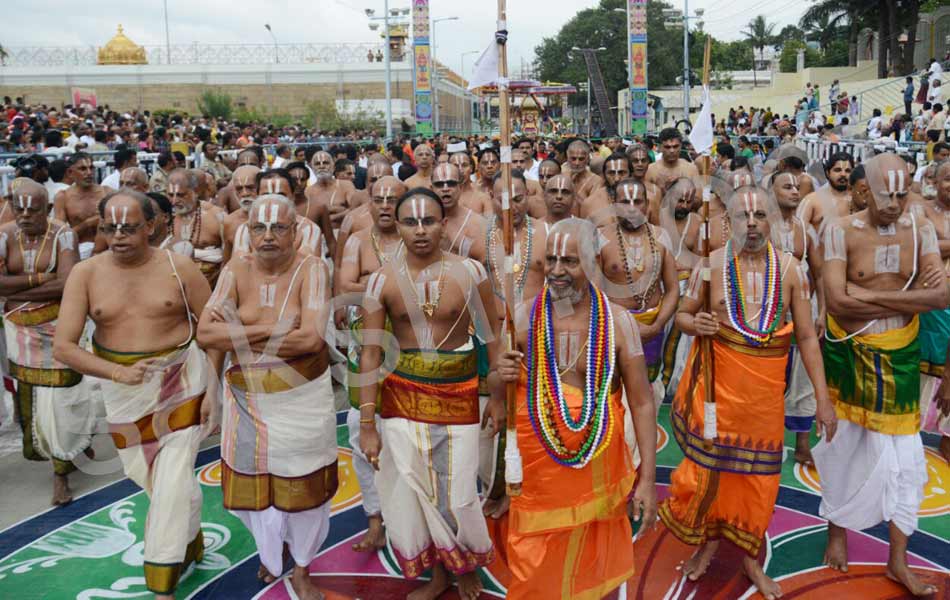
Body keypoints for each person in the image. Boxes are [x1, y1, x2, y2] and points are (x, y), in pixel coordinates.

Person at [660, 186, 834, 600]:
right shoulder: (711, 265)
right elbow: (683, 316)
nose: (752, 224)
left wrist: (823, 400)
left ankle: (751, 557)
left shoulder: (792, 270)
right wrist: (694, 324)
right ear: (729, 223)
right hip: (718, 394)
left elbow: (807, 337)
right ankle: (710, 541)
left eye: (759, 216)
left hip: (763, 402)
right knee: (713, 472)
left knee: (760, 480)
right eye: (743, 216)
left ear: (771, 220)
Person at [53, 190, 220, 599]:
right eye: (109, 228)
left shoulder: (180, 269)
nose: (119, 236)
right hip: (122, 391)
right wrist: (117, 372)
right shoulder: (86, 274)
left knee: (170, 484)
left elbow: (215, 331)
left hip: (182, 381)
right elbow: (64, 346)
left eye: (129, 228)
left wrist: (213, 386)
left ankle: (162, 585)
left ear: (151, 226)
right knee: (150, 478)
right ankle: (191, 537)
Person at [495, 217, 658, 599]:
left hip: (598, 463)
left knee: (592, 553)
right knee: (535, 556)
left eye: (569, 261)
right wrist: (499, 374)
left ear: (593, 262)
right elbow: (501, 395)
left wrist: (647, 479)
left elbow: (642, 402)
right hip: (540, 473)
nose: (556, 270)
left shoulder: (619, 323)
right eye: (549, 260)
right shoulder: (521, 318)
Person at [358, 187, 502, 600]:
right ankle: (442, 576)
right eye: (411, 222)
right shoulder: (380, 281)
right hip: (402, 397)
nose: (420, 231)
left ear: (444, 224)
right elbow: (370, 353)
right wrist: (367, 424)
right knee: (415, 490)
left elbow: (492, 340)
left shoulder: (472, 273)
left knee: (458, 492)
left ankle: (465, 564)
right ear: (397, 226)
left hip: (460, 395)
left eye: (429, 221)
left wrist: (499, 397)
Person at [815, 154, 945, 597]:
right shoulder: (839, 231)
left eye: (902, 191)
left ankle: (898, 561)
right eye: (884, 192)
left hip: (901, 358)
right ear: (864, 189)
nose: (893, 201)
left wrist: (866, 293)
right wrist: (914, 299)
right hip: (850, 357)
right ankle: (837, 529)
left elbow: (942, 294)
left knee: (907, 463)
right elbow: (836, 302)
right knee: (844, 448)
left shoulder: (921, 230)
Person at [197, 194, 334, 600]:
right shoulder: (235, 270)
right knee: (254, 495)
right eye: (259, 227)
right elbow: (205, 335)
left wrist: (239, 328)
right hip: (247, 403)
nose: (268, 236)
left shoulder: (313, 269)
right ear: (247, 232)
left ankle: (303, 567)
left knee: (305, 492)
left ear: (296, 232)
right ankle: (270, 551)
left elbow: (310, 339)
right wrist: (267, 331)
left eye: (278, 228)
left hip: (302, 401)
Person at [1, 179, 86, 506]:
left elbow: (68, 283)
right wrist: (41, 279)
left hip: (59, 328)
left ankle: (61, 471)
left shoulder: (63, 233)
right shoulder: (4, 234)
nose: (24, 215)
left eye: (32, 210)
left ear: (47, 209)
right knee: (33, 401)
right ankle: (61, 457)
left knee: (63, 400)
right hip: (20, 333)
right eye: (18, 208)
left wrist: (12, 288)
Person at [598, 179, 679, 406]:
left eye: (638, 201)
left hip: (652, 327)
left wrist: (657, 324)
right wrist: (625, 325)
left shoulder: (661, 236)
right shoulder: (600, 238)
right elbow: (593, 293)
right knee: (611, 393)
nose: (632, 207)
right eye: (625, 202)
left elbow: (672, 289)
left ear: (647, 204)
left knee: (647, 391)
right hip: (613, 328)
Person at [769, 172, 823, 465]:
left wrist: (823, 311)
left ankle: (802, 446)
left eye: (797, 187)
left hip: (804, 311)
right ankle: (768, 441)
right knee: (773, 377)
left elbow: (820, 273)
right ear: (771, 191)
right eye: (787, 187)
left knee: (804, 378)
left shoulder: (807, 229)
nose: (794, 191)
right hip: (769, 314)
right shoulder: (760, 226)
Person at [917, 160, 950, 464]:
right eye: (947, 179)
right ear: (934, 181)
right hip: (930, 305)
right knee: (922, 378)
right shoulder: (922, 210)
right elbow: (921, 247)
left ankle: (946, 440)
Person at [165, 169, 226, 286]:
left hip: (211, 286)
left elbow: (229, 257)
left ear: (196, 191)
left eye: (180, 195)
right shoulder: (163, 218)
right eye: (170, 195)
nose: (174, 201)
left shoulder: (216, 216)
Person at [53, 152, 107, 260]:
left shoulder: (106, 192)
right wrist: (87, 223)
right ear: (70, 172)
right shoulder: (63, 197)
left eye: (91, 168)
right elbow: (60, 235)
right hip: (79, 251)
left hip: (106, 251)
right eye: (83, 169)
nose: (89, 173)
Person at [431, 163, 487, 261]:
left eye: (451, 184)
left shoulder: (478, 224)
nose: (445, 189)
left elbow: (487, 268)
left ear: (460, 188)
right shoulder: (421, 223)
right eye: (439, 185)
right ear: (431, 189)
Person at [798, 152, 854, 233]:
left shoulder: (857, 201)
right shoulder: (812, 201)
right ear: (828, 173)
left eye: (848, 171)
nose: (843, 174)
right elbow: (798, 231)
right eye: (837, 170)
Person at [306, 150, 356, 235]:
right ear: (311, 167)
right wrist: (341, 212)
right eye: (317, 164)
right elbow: (307, 221)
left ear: (333, 166)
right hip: (320, 238)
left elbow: (355, 209)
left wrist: (330, 218)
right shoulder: (308, 192)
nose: (321, 166)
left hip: (344, 235)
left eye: (325, 163)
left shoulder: (346, 185)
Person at [646, 128, 699, 193]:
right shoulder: (650, 170)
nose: (672, 151)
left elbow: (698, 199)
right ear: (660, 147)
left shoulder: (691, 169)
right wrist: (660, 190)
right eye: (667, 147)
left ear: (681, 146)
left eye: (675, 146)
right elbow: (645, 199)